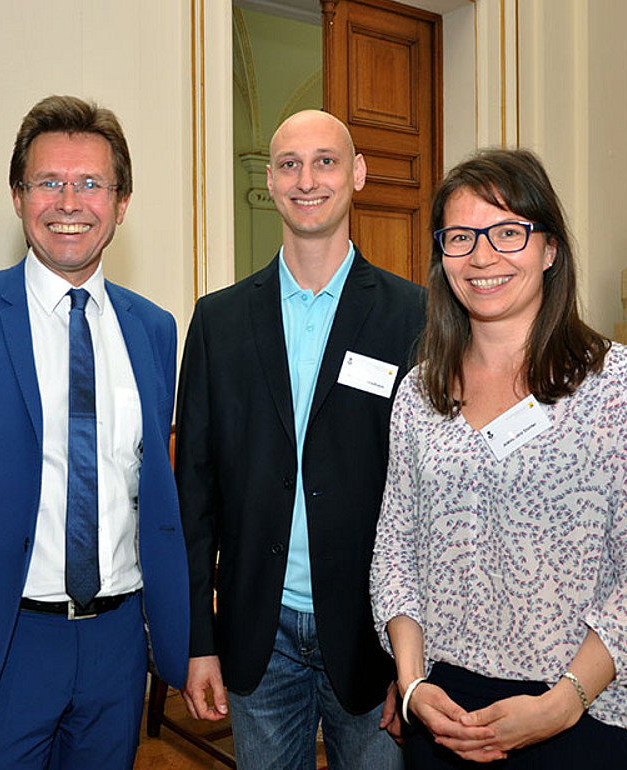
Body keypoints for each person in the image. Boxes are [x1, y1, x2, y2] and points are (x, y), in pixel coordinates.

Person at [0, 94, 189, 768]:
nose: (68, 202)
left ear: (122, 202)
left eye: (91, 183)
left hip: (115, 648)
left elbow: (148, 489)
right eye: (48, 181)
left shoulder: (154, 329)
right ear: (18, 196)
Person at [370, 148, 627, 768]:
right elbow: (395, 551)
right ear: (441, 256)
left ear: (549, 249)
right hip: (444, 710)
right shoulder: (419, 392)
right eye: (460, 237)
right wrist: (410, 684)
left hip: (587, 708)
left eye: (508, 232)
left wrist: (562, 703)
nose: (482, 256)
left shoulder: (621, 384)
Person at [175, 109, 426, 769]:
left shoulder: (416, 317)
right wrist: (198, 640)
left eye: (325, 162)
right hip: (258, 634)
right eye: (289, 164)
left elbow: (432, 504)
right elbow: (194, 496)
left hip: (375, 637)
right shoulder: (218, 320)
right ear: (270, 180)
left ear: (358, 174)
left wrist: (417, 663)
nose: (307, 180)